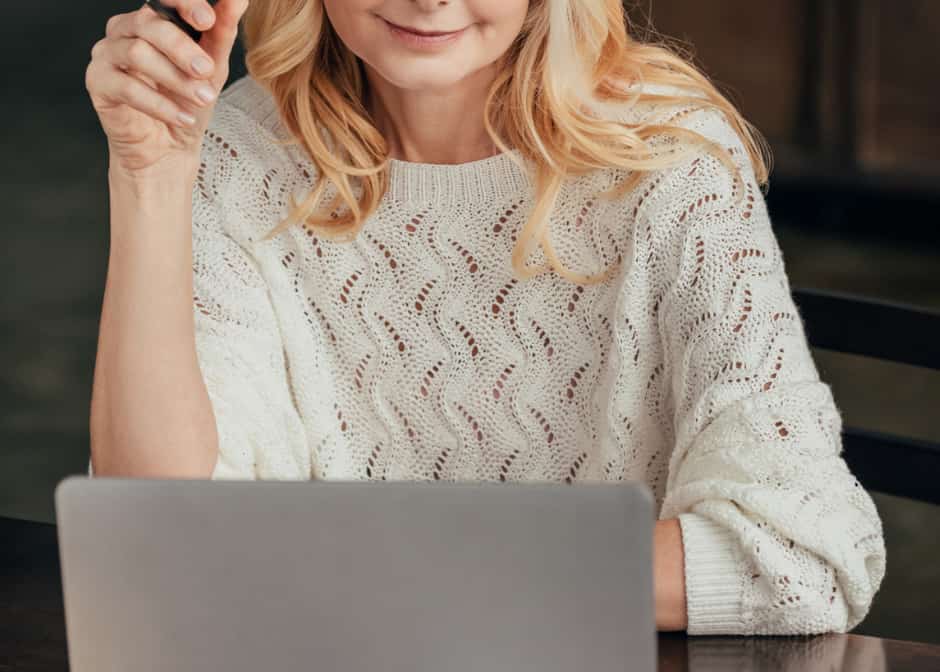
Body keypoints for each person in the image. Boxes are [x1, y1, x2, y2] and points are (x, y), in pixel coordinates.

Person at [83, 0, 886, 635]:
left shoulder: (671, 163)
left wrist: (410, 569)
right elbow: (158, 538)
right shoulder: (233, 148)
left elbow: (803, 557)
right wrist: (150, 176)